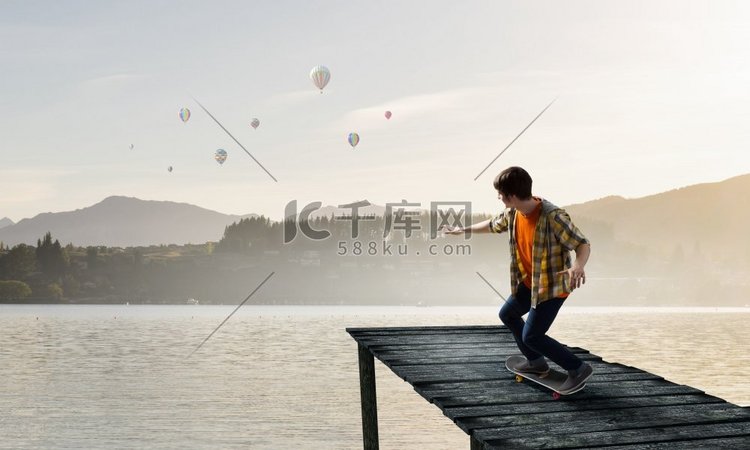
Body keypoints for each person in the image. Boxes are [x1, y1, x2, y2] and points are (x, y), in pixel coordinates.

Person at [443, 166, 593, 393]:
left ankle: (578, 368)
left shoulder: (553, 217)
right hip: (527, 283)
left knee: (532, 336)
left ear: (511, 196)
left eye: (501, 194)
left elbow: (582, 243)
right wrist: (461, 230)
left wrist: (578, 266)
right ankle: (536, 362)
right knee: (508, 314)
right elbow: (492, 225)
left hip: (551, 288)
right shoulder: (514, 213)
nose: (499, 198)